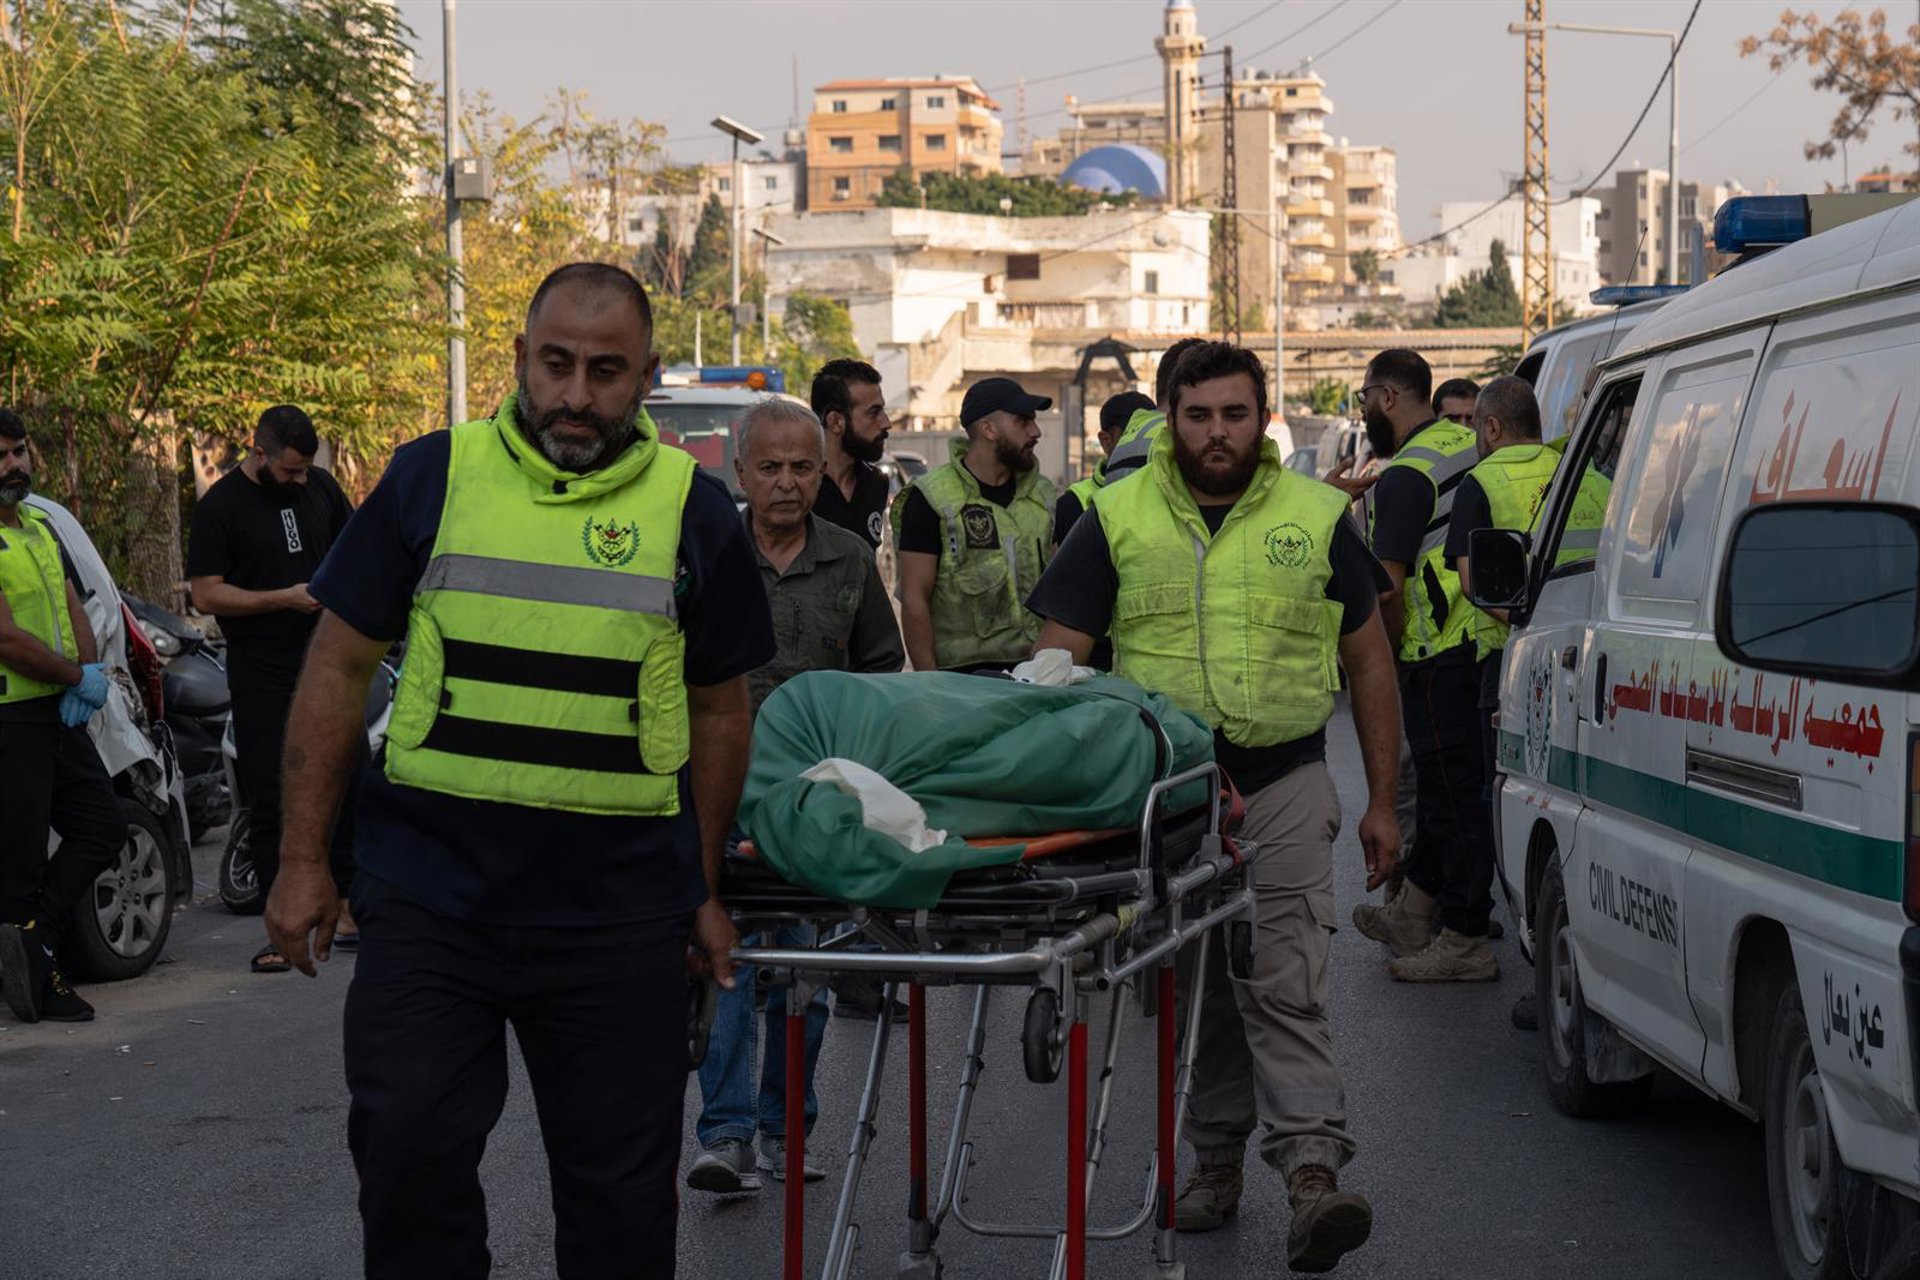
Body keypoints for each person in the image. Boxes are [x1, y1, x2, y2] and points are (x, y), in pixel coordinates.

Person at [264, 262, 775, 1278]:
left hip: (618, 913)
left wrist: (703, 885)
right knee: (406, 1159)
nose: (575, 394)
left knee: (620, 1209)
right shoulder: (431, 476)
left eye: (605, 371)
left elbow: (721, 709)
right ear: (518, 360)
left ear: (646, 378)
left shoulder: (695, 511)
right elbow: (337, 665)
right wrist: (302, 859)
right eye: (555, 364)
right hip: (431, 899)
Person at [1029, 342, 1401, 1273]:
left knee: (1284, 979)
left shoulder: (1316, 515)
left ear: (1261, 418)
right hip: (1170, 803)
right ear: (1170, 418)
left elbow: (1369, 663)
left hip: (1285, 784)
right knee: (1197, 991)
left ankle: (1312, 1176)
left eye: (1235, 414)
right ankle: (1214, 1166)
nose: (1217, 433)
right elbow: (1055, 668)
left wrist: (1384, 803)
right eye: (1198, 416)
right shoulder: (1114, 517)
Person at [687, 397, 903, 1194]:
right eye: (770, 467)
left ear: (821, 472)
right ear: (740, 472)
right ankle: (726, 1136)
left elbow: (879, 672)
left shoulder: (849, 559)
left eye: (803, 467)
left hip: (815, 799)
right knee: (728, 961)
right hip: (719, 789)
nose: (787, 482)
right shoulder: (706, 552)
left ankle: (785, 1132)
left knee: (805, 975)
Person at [1448, 376, 1610, 1026]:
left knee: (1521, 819)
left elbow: (1474, 583)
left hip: (1517, 670)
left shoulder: (1482, 483)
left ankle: (1544, 965)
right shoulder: (1587, 475)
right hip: (1594, 662)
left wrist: (1525, 625)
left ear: (1490, 428)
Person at [188, 405, 359, 974]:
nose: (301, 479)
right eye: (290, 470)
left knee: (352, 778)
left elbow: (354, 549)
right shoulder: (220, 508)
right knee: (269, 793)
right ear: (257, 452)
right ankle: (279, 929)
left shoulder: (321, 487)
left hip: (328, 662)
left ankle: (349, 909)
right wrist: (282, 598)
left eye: (307, 468)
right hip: (261, 670)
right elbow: (206, 594)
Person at [1353, 348, 1499, 983]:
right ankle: (1413, 913)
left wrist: (1381, 664)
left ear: (1387, 397)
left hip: (1437, 654)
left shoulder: (1405, 475)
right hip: (1482, 641)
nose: (1364, 411)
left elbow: (1388, 590)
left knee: (1453, 802)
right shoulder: (1464, 445)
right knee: (1446, 796)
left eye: (1364, 398)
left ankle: (1466, 940)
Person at [0, 409, 122, 1024]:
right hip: (11, 716)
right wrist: (76, 677)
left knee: (101, 824)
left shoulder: (38, 525)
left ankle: (33, 946)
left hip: (54, 708)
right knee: (19, 860)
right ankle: (35, 980)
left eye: (18, 451)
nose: (13, 465)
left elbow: (74, 602)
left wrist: (90, 668)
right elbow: (5, 638)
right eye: (0, 455)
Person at [893, 376, 1056, 672]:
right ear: (988, 429)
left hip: (1034, 676)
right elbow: (914, 599)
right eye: (1023, 421)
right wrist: (930, 683)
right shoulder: (932, 498)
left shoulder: (1044, 496)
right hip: (960, 681)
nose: (1036, 431)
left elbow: (1062, 591)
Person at [1054, 389, 1155, 551]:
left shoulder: (1173, 488)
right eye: (1133, 436)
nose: (1146, 445)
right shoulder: (1074, 503)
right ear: (1105, 440)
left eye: (1155, 434)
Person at [809, 357, 893, 551]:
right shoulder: (802, 487)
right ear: (836, 421)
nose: (886, 423)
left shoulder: (875, 483)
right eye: (873, 412)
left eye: (883, 410)